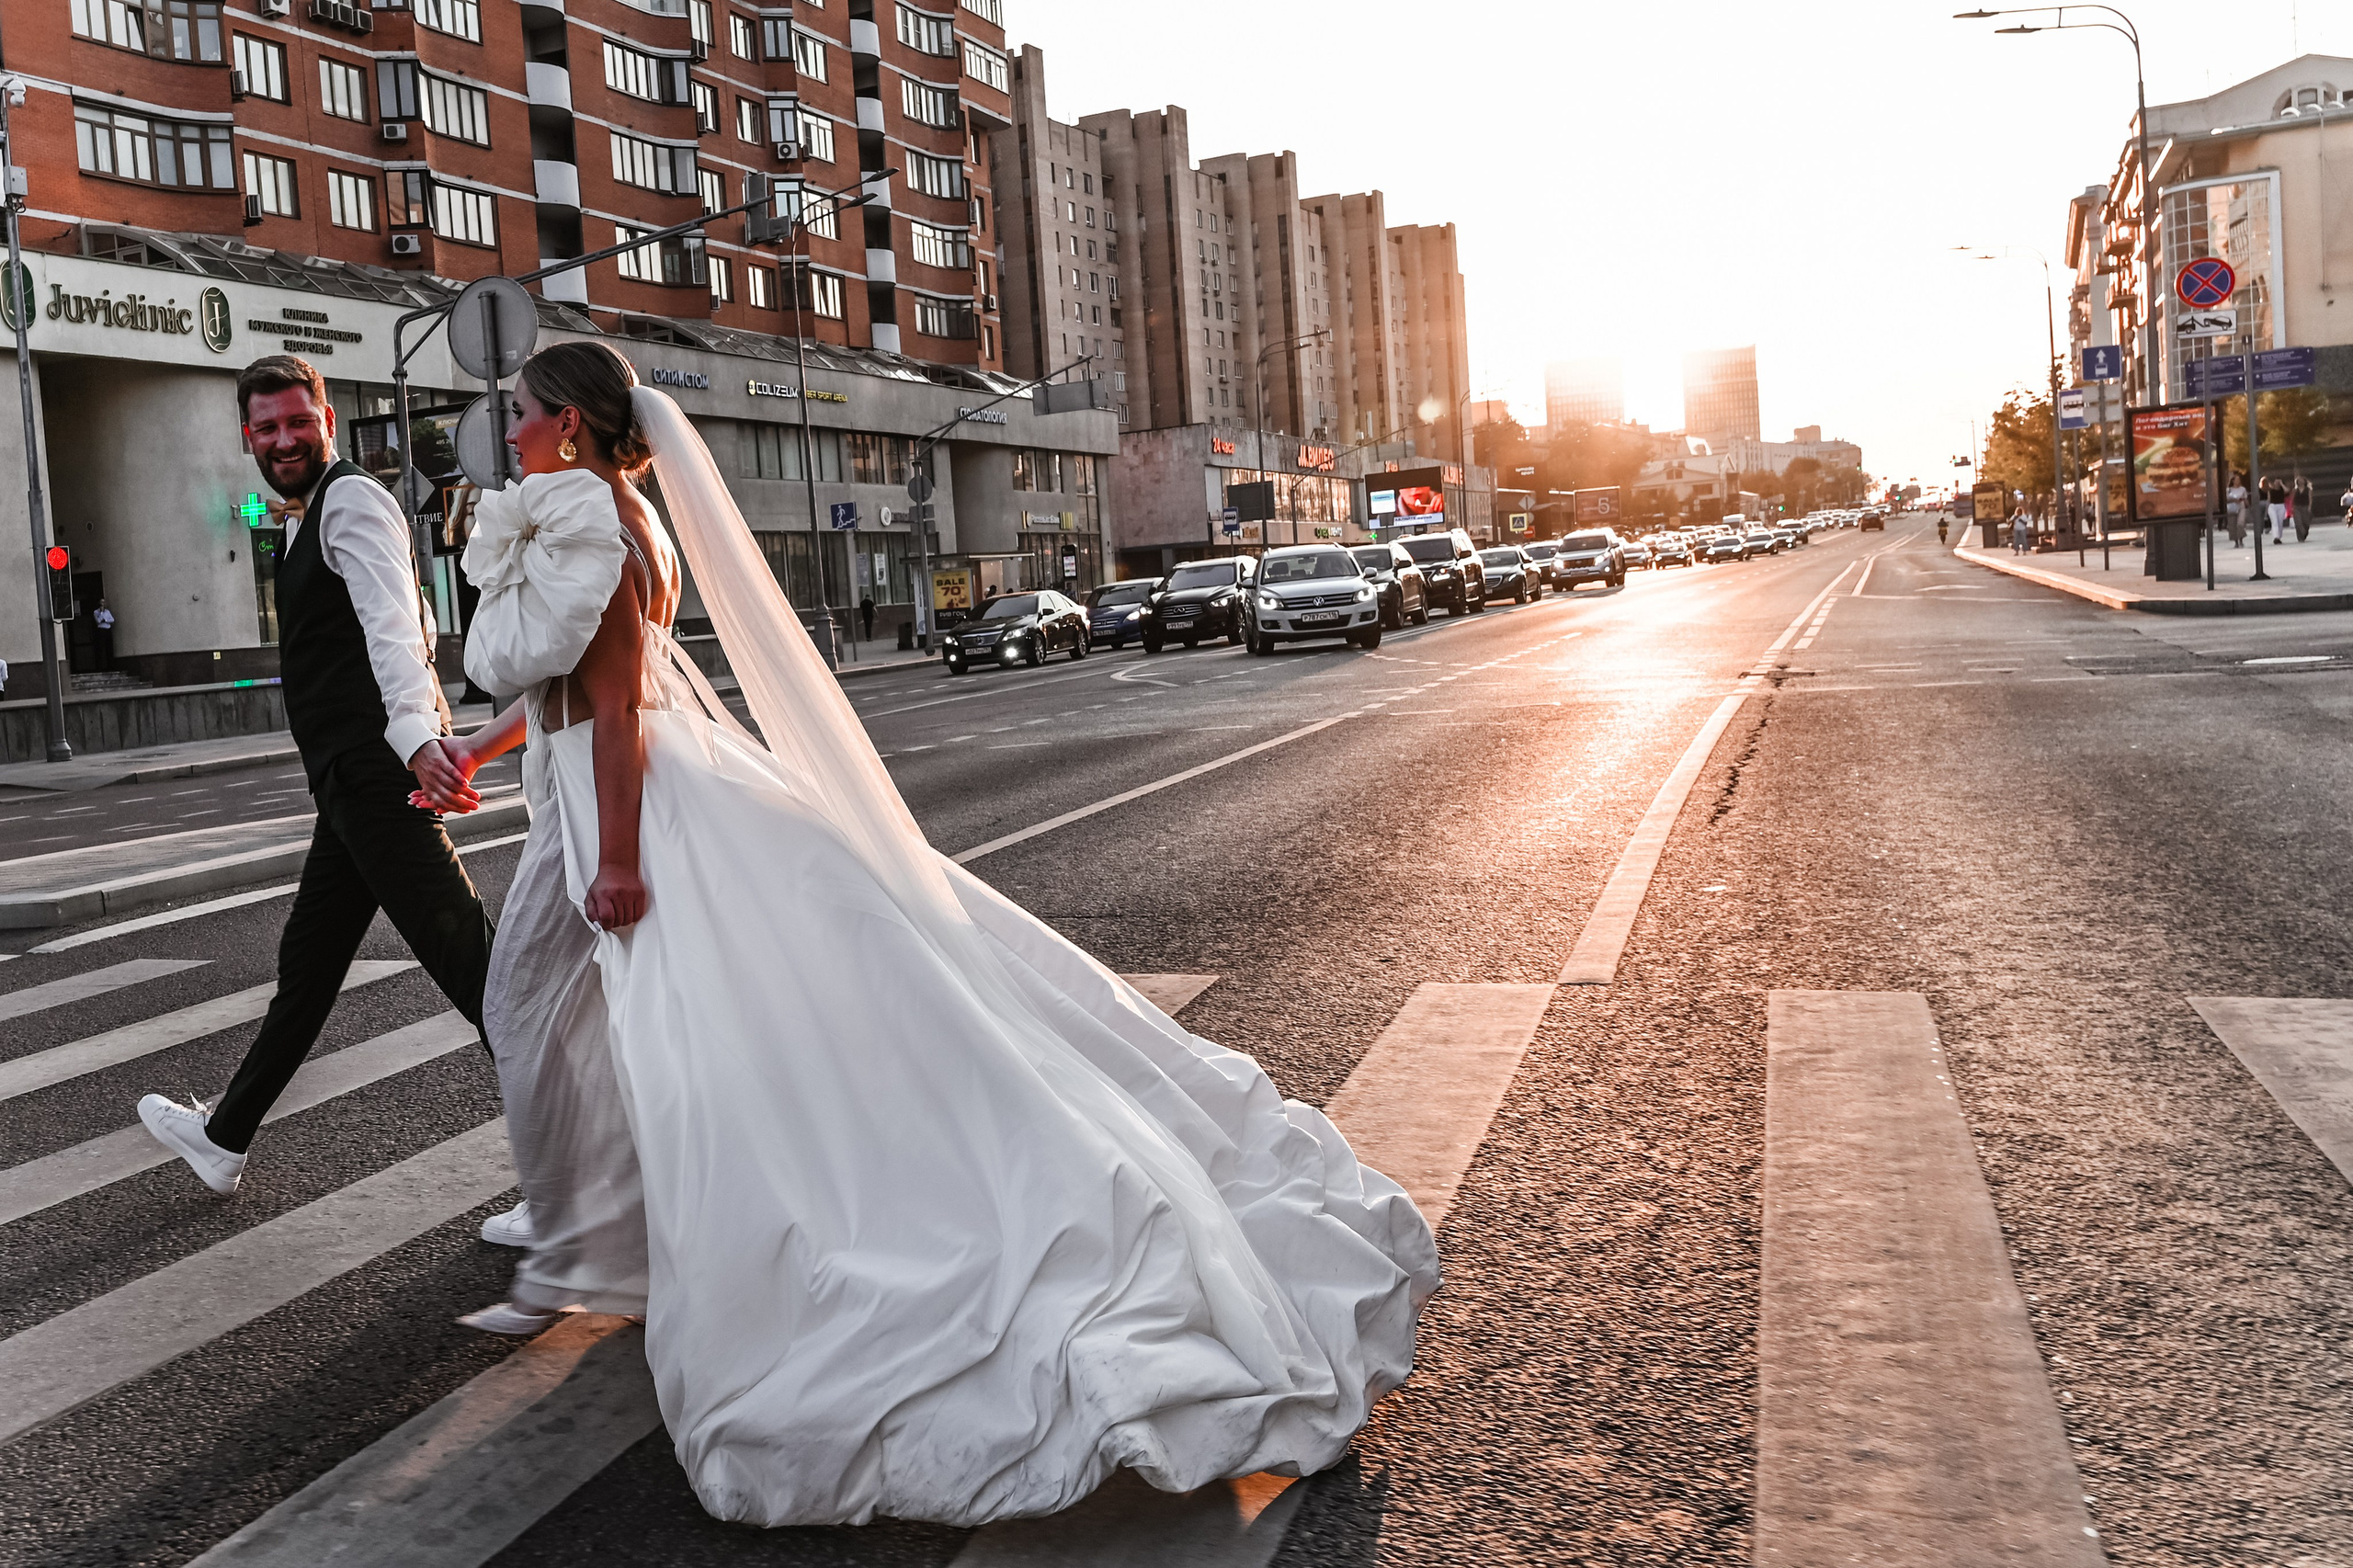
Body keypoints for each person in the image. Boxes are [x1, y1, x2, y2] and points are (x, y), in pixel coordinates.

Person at [416, 346, 1435, 1529]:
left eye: (527, 411)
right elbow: (593, 687)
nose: (513, 427)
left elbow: (612, 707)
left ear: (577, 431)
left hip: (636, 807)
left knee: (676, 1037)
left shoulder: (592, 518)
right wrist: (482, 755)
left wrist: (623, 859)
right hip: (619, 788)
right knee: (658, 1027)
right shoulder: (612, 509)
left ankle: (597, 1250)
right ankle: (596, 1241)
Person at [137, 355, 494, 1196]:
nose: (285, 439)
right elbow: (416, 610)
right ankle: (224, 1139)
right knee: (308, 967)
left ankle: (590, 1165)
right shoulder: (306, 519)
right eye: (268, 428)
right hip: (346, 787)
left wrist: (413, 735)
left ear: (326, 419)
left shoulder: (351, 498)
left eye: (299, 422)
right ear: (247, 437)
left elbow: (395, 628)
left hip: (376, 777)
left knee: (478, 972)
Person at [91, 598, 115, 670]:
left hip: (107, 629)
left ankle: (110, 666)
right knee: (101, 648)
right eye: (102, 602)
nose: (103, 604)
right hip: (101, 630)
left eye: (104, 602)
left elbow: (112, 620)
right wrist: (101, 613)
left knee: (109, 647)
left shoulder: (107, 612)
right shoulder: (96, 612)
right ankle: (101, 667)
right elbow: (98, 621)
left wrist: (106, 620)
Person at [2227, 472, 2248, 548]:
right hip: (2232, 508)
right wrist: (2233, 500)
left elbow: (2245, 498)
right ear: (2233, 481)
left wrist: (2244, 501)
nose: (2238, 481)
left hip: (2241, 506)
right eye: (2236, 480)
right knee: (2232, 525)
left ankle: (2241, 540)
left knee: (2240, 524)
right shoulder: (2229, 490)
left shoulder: (2243, 489)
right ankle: (2236, 542)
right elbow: (2226, 500)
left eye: (2239, 480)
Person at [2266, 475, 2290, 543]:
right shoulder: (2270, 490)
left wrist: (2282, 484)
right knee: (2275, 522)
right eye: (2276, 482)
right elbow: (2268, 499)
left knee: (2280, 522)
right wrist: (2267, 510)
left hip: (2281, 505)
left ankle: (2279, 537)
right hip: (2272, 506)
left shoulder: (2282, 490)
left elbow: (2287, 491)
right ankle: (2276, 537)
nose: (2277, 483)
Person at [2294, 476, 2313, 541]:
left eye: (2302, 480)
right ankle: (2300, 537)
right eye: (2299, 480)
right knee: (2298, 522)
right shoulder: (2295, 490)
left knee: (2306, 522)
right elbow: (2292, 499)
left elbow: (2310, 499)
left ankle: (2305, 532)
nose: (2301, 482)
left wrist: (2309, 507)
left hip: (2305, 507)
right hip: (2297, 507)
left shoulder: (2308, 489)